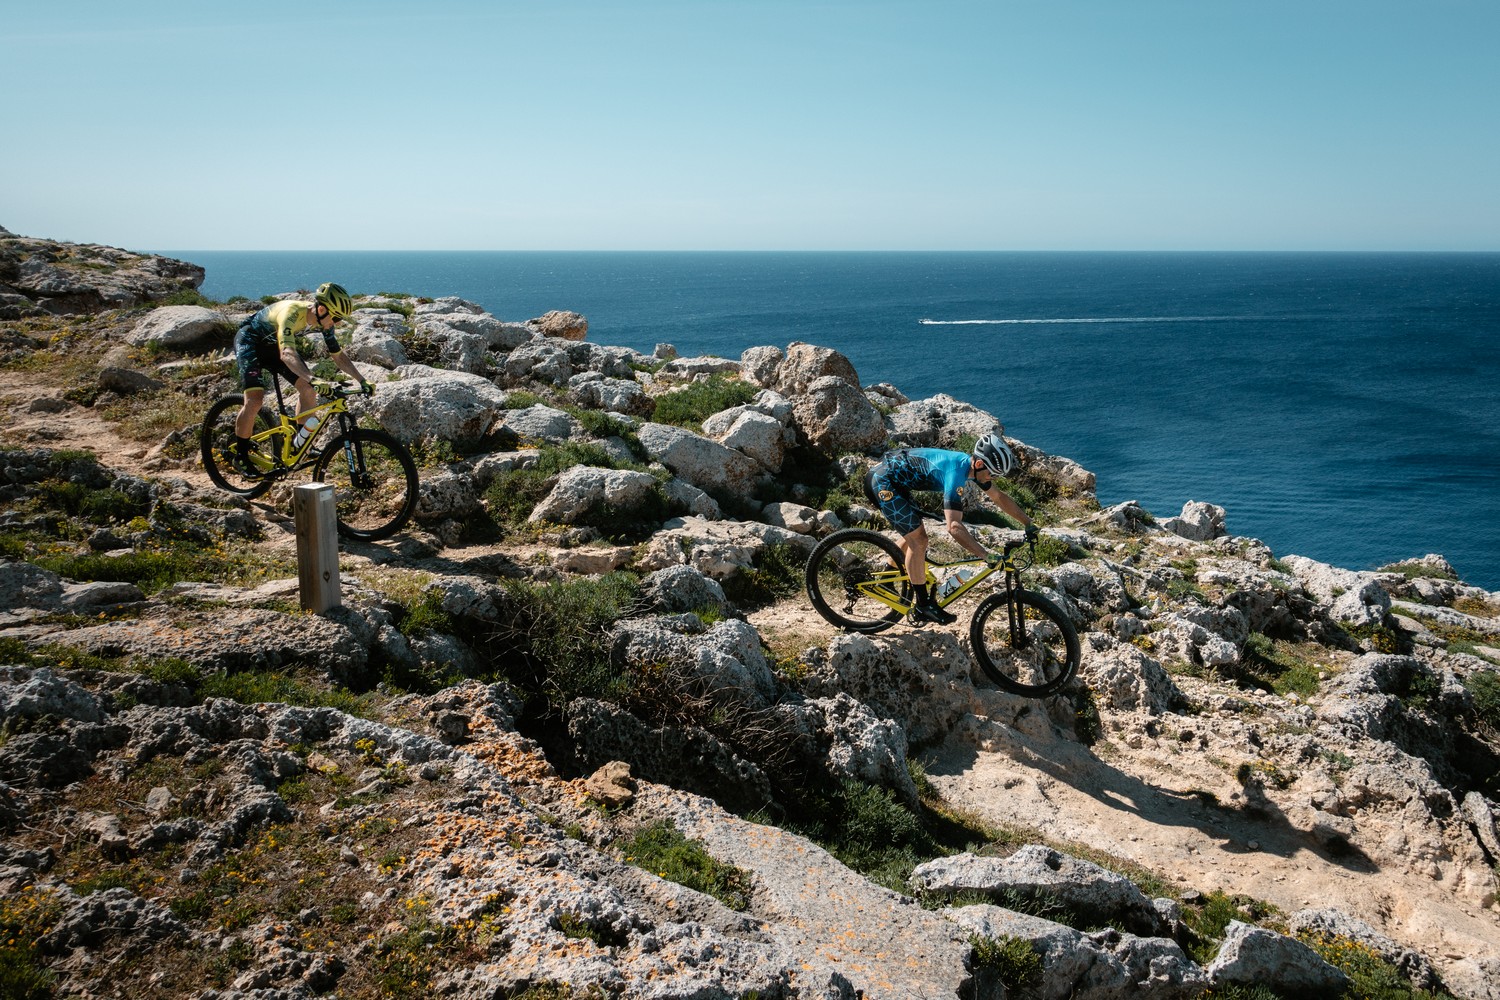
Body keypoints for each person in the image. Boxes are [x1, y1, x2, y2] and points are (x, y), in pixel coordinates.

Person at [865, 430, 1038, 625]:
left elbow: (999, 497)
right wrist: (985, 555)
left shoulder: (974, 470)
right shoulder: (956, 473)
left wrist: (1028, 523)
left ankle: (886, 580)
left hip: (896, 481)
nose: (993, 479)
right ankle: (923, 605)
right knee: (919, 539)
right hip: (882, 481)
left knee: (914, 530)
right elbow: (954, 526)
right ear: (979, 463)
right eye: (992, 474)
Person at [231, 282, 372, 471]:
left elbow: (338, 355)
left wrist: (361, 379)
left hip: (275, 347)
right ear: (321, 309)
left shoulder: (324, 321)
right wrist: (313, 378)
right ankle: (240, 456)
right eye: (337, 317)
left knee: (308, 389)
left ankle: (300, 445)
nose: (338, 323)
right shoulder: (291, 313)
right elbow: (287, 354)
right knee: (255, 400)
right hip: (250, 342)